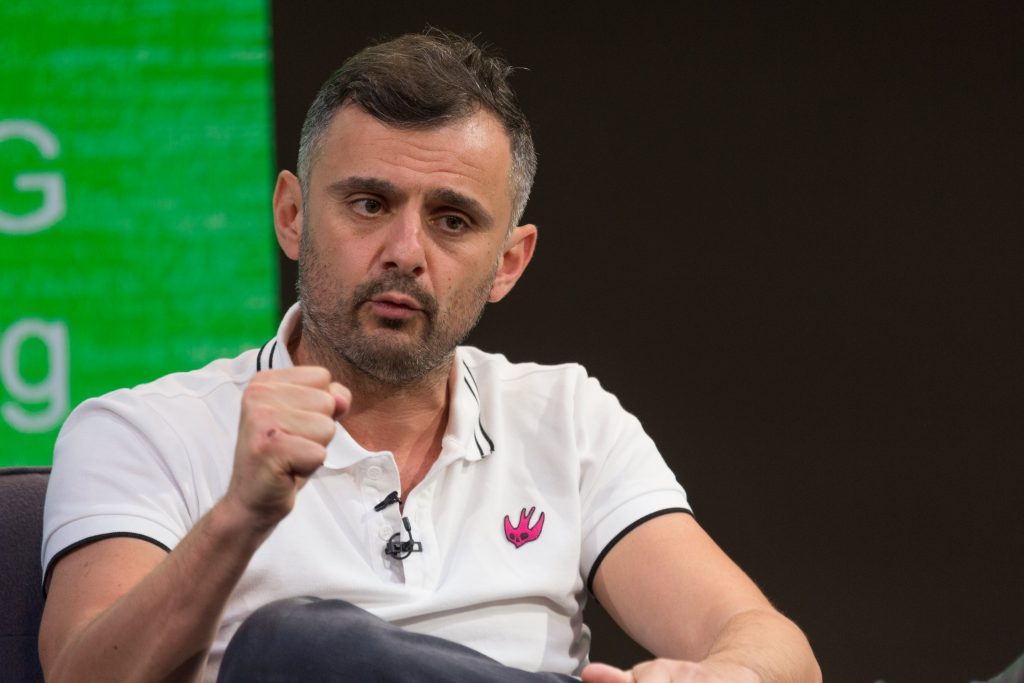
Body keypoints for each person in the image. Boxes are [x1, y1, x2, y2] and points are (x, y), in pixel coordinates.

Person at [38, 29, 821, 683]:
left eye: (451, 219)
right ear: (291, 215)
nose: (405, 251)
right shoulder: (143, 429)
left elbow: (771, 642)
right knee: (295, 644)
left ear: (508, 262)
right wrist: (239, 516)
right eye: (369, 204)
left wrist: (730, 673)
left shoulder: (568, 417)